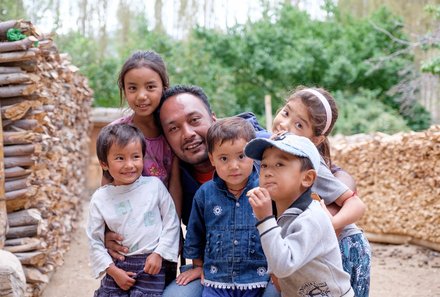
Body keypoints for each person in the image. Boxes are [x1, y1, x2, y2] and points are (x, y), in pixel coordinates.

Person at [107, 85, 279, 297]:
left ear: (214, 119)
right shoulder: (168, 177)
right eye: (174, 129)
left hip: (265, 269)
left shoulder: (265, 153)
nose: (187, 134)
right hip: (213, 272)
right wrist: (109, 232)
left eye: (194, 120)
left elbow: (318, 176)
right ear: (167, 140)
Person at [271, 86, 371, 297]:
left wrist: (328, 225)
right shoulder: (269, 151)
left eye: (299, 125)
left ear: (315, 140)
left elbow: (356, 204)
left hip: (345, 246)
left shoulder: (311, 166)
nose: (285, 124)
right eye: (286, 112)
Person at [245, 133, 354, 297]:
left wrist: (265, 220)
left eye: (280, 164)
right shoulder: (277, 211)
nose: (267, 172)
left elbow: (283, 265)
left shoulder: (311, 217)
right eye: (265, 165)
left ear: (307, 178)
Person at [87, 123, 180, 296]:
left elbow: (171, 222)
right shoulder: (100, 198)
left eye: (135, 156)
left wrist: (159, 254)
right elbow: (95, 240)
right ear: (104, 163)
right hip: (117, 265)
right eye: (120, 158)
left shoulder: (155, 187)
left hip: (152, 266)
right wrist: (113, 271)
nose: (129, 165)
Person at [184, 117, 269, 296]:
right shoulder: (205, 194)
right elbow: (195, 232)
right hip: (216, 279)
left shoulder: (265, 190)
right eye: (224, 158)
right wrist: (198, 266)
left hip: (257, 278)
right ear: (212, 159)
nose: (233, 166)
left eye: (241, 156)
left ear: (253, 155)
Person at [108, 50, 182, 219]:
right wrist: (107, 232)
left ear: (163, 88)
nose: (141, 96)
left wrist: (172, 233)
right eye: (133, 88)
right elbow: (107, 189)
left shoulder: (172, 132)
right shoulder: (114, 134)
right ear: (124, 91)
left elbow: (175, 187)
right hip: (126, 228)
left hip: (164, 226)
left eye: (150, 87)